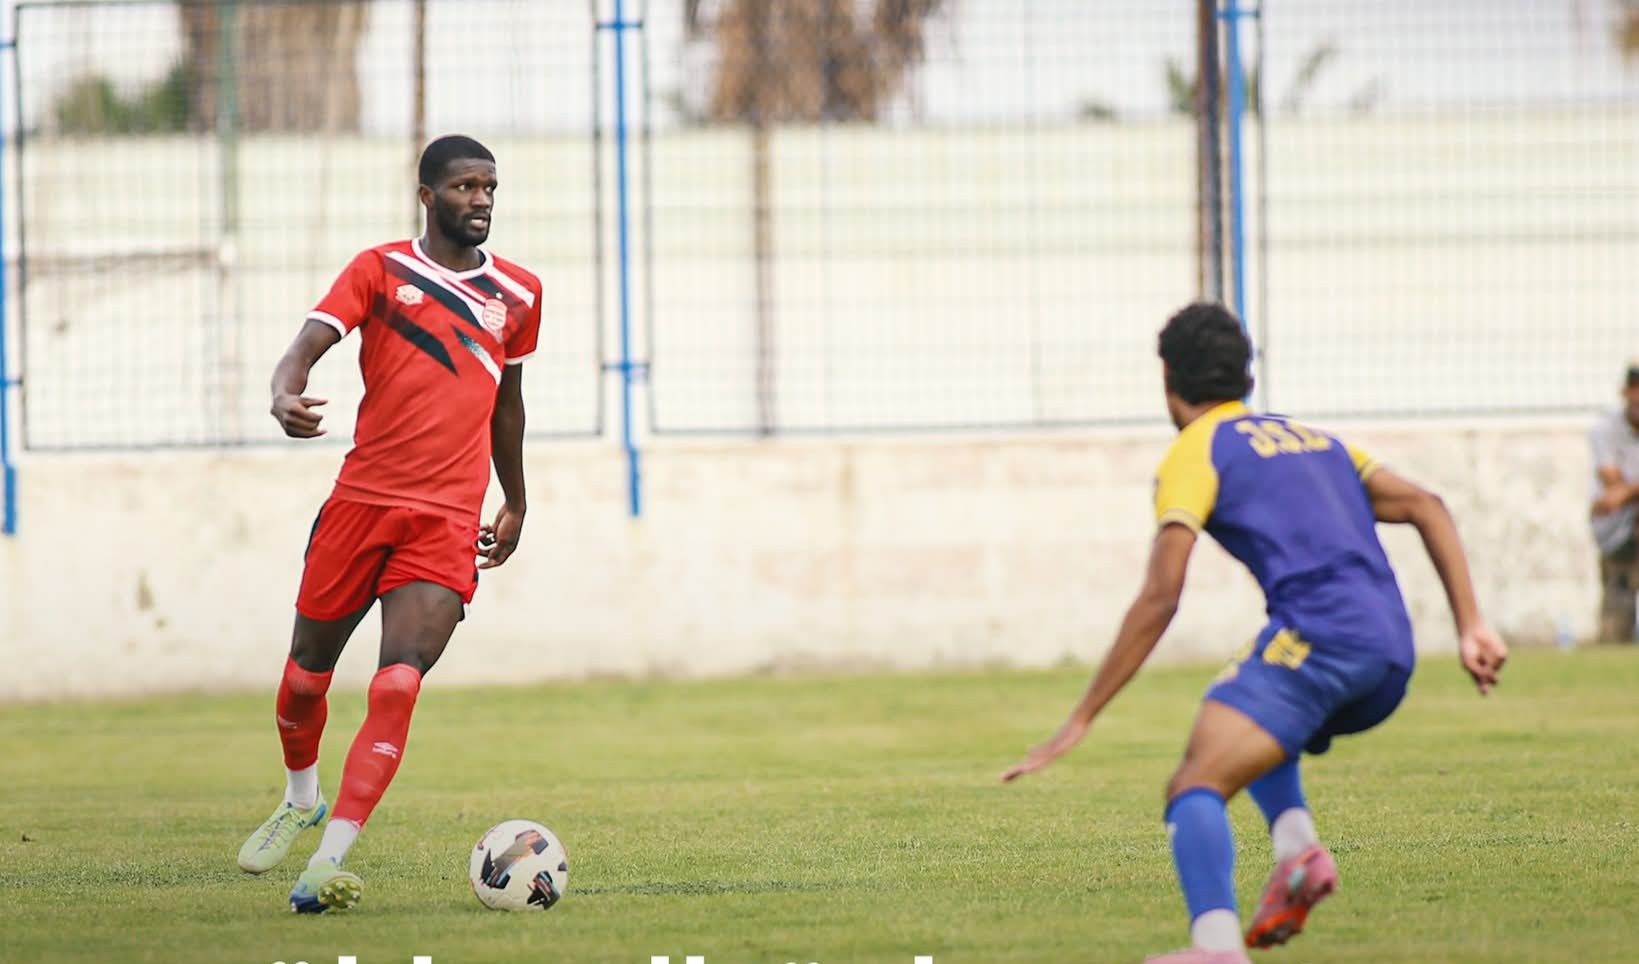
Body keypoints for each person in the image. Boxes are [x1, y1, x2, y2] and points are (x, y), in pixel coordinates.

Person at [1000, 303, 1508, 964]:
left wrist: (1081, 717)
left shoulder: (1195, 451)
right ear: (1244, 375)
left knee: (1193, 785)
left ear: (1166, 379)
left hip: (1321, 640)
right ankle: (1297, 853)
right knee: (1241, 703)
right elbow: (1426, 505)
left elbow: (1161, 594)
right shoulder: (1317, 441)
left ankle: (1215, 949)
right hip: (1389, 653)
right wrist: (1470, 624)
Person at [235, 135, 541, 913]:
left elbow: (507, 404)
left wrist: (515, 497)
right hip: (361, 503)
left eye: (490, 188)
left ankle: (326, 864)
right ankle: (301, 795)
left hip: (444, 519)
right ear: (427, 194)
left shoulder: (520, 293)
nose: (481, 201)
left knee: (398, 682)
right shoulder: (379, 269)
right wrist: (283, 393)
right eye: (466, 187)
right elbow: (304, 348)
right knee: (307, 674)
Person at [1589, 362, 1639, 643]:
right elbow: (1610, 486)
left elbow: (1620, 492)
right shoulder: (1605, 429)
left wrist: (1626, 491)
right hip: (1615, 528)